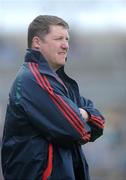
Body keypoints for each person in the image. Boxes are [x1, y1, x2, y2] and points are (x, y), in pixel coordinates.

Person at [1, 15, 105, 180]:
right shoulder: (33, 79)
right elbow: (78, 130)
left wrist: (84, 113)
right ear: (37, 43)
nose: (66, 45)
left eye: (67, 39)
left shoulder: (59, 83)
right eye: (58, 39)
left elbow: (99, 122)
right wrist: (83, 116)